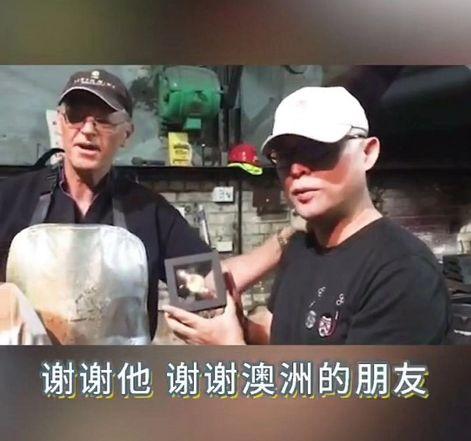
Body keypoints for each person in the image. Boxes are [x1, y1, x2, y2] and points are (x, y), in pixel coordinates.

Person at [0, 68, 285, 342]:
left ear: (127, 134)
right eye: (76, 116)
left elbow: (204, 285)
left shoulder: (148, 212)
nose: (87, 130)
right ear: (60, 123)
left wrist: (285, 240)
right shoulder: (11, 198)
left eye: (104, 119)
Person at [163, 86, 450, 345]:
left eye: (317, 150)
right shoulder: (301, 247)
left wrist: (229, 348)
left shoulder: (403, 272)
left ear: (367, 153)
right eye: (284, 157)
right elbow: (281, 334)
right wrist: (243, 328)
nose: (296, 169)